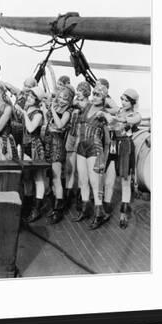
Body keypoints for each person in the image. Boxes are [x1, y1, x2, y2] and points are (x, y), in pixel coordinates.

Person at [72, 84, 110, 230]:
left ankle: (99, 213)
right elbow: (74, 101)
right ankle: (84, 210)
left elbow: (108, 137)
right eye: (94, 94)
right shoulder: (87, 106)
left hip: (95, 147)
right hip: (81, 146)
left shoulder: (104, 112)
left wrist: (103, 158)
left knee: (95, 183)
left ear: (104, 97)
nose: (94, 97)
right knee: (82, 180)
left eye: (98, 95)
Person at [102, 88, 142, 229]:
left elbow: (132, 120)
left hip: (125, 147)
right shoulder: (118, 111)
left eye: (126, 100)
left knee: (125, 181)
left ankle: (124, 214)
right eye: (122, 99)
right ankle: (105, 210)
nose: (123, 102)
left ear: (132, 102)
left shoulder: (135, 115)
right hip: (114, 145)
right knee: (109, 179)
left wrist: (115, 118)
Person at [42, 85, 75, 224]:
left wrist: (52, 111)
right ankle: (55, 205)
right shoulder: (56, 108)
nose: (61, 100)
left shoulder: (68, 111)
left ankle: (58, 209)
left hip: (57, 144)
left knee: (56, 178)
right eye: (60, 97)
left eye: (64, 98)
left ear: (69, 100)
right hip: (49, 142)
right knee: (51, 177)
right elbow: (48, 123)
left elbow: (60, 125)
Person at [15, 86, 46, 225]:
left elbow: (31, 128)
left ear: (37, 100)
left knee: (38, 178)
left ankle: (37, 208)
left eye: (32, 97)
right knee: (26, 177)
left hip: (34, 147)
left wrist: (24, 113)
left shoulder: (38, 113)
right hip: (25, 146)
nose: (29, 98)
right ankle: (27, 205)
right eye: (29, 96)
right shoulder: (27, 109)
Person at [63, 81, 91, 214]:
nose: (78, 91)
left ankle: (80, 198)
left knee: (81, 171)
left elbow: (80, 106)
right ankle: (68, 197)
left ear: (86, 92)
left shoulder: (87, 105)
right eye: (78, 89)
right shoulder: (75, 102)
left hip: (82, 137)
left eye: (81, 90)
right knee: (69, 168)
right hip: (72, 136)